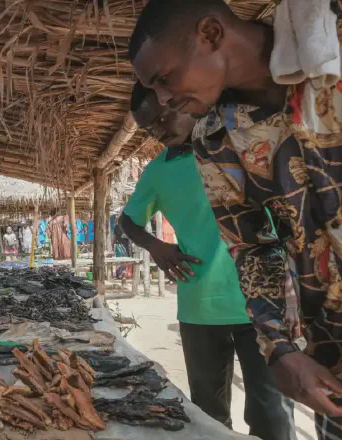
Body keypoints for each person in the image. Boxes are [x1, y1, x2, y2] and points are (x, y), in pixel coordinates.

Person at [129, 0, 342, 434]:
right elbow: (251, 246)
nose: (165, 99)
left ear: (209, 34)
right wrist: (279, 347)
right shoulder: (215, 138)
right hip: (330, 350)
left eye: (164, 79)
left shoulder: (331, 47)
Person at [121, 82, 296, 440]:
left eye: (162, 117)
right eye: (148, 127)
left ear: (182, 100)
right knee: (209, 417)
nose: (158, 131)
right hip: (199, 308)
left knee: (272, 417)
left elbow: (289, 214)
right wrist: (156, 246)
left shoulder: (240, 142)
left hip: (263, 304)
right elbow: (128, 221)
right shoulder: (158, 171)